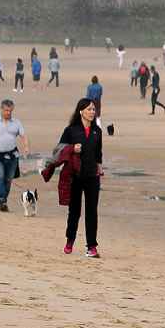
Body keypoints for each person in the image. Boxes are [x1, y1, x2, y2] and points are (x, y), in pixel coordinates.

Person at [55, 98, 104, 257]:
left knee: (92, 211)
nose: (92, 112)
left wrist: (99, 167)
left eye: (93, 110)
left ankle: (91, 246)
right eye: (89, 109)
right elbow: (58, 150)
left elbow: (98, 154)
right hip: (75, 176)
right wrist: (72, 148)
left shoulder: (98, 131)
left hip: (92, 176)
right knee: (74, 211)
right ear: (81, 111)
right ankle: (70, 240)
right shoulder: (71, 130)